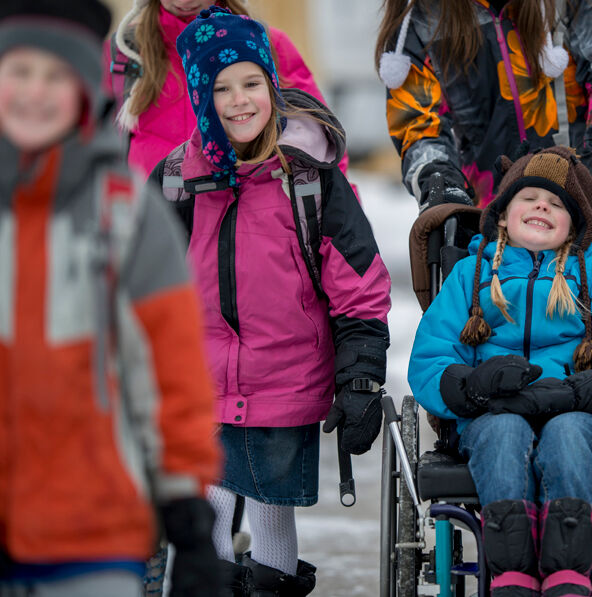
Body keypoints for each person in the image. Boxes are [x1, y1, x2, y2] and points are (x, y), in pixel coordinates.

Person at [161, 8, 391, 595]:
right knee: (207, 503)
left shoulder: (309, 179)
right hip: (201, 378)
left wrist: (360, 379)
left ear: (272, 84)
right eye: (219, 87)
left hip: (286, 376)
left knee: (269, 506)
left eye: (251, 83)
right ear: (197, 95)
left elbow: (359, 284)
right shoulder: (176, 183)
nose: (239, 101)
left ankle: (272, 585)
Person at [0, 1, 222, 596]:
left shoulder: (128, 216)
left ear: (83, 92)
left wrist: (184, 504)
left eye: (55, 77)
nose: (34, 93)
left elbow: (172, 374)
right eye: (19, 72)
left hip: (92, 528)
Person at [408, 146, 592, 596]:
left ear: (573, 227)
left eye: (558, 203)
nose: (543, 205)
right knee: (504, 434)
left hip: (576, 410)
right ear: (502, 215)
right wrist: (472, 385)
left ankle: (567, 572)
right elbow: (432, 356)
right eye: (529, 197)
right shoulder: (471, 274)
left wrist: (590, 389)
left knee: (566, 434)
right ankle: (513, 573)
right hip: (491, 412)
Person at [375, 0, 592, 211]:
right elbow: (418, 123)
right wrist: (439, 181)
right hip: (488, 219)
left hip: (581, 199)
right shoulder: (421, 19)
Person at [105, 0, 353, 186]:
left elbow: (322, 148)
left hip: (251, 241)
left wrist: (345, 236)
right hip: (152, 239)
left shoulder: (265, 45)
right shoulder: (123, 56)